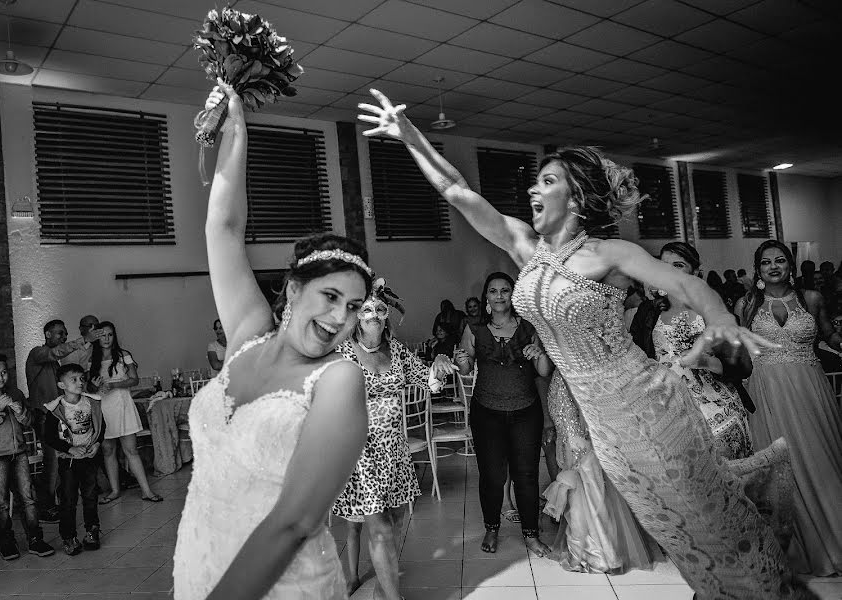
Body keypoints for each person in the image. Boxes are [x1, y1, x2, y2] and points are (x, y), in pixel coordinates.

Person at [358, 88, 812, 599]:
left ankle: (770, 591)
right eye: (535, 180)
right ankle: (719, 590)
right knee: (669, 526)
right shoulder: (523, 247)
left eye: (546, 181)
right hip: (600, 418)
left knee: (706, 512)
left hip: (645, 400)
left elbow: (683, 284)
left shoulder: (607, 253)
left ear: (574, 198)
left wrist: (721, 316)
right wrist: (408, 134)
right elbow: (457, 191)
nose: (533, 189)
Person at [172, 82, 371, 600]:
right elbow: (223, 227)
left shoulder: (339, 380)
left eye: (353, 308)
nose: (339, 318)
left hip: (281, 584)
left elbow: (297, 519)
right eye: (329, 296)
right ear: (292, 289)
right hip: (197, 561)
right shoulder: (245, 334)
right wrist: (236, 129)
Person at [333, 278, 455, 598]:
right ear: (356, 314)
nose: (373, 313)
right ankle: (392, 597)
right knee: (381, 529)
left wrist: (438, 370)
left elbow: (424, 377)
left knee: (396, 522)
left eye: (379, 308)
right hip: (361, 453)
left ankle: (382, 590)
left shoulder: (396, 349)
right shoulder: (342, 352)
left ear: (387, 313)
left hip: (395, 450)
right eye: (366, 308)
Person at [736, 240, 842, 576]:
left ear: (790, 265)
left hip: (810, 390)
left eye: (780, 261)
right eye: (766, 262)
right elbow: (739, 354)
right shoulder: (747, 304)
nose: (774, 267)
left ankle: (832, 538)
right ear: (758, 269)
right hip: (766, 392)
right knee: (778, 468)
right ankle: (788, 550)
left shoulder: (811, 299)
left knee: (820, 459)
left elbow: (829, 336)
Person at [454, 272, 551, 557]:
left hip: (525, 412)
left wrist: (539, 355)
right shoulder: (474, 329)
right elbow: (466, 368)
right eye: (493, 291)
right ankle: (492, 527)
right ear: (486, 297)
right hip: (487, 413)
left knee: (527, 475)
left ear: (513, 295)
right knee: (492, 476)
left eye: (505, 290)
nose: (499, 296)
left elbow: (544, 372)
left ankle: (531, 535)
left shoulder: (529, 328)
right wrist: (462, 361)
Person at [627, 242, 753, 460]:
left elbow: (743, 367)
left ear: (695, 272)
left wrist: (706, 362)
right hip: (667, 408)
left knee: (725, 478)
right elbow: (636, 359)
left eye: (678, 265)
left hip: (717, 409)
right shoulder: (647, 312)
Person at [543, 370, 660, 573]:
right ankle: (589, 552)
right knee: (582, 493)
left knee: (590, 492)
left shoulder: (580, 365)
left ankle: (598, 554)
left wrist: (584, 433)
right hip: (569, 429)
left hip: (581, 435)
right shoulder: (561, 368)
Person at [0, 354, 55, 560]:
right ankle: (7, 543)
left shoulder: (15, 393)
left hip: (19, 454)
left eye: (3, 372)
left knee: (28, 499)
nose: (0, 377)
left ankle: (35, 539)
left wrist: (21, 412)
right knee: (0, 503)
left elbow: (28, 421)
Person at [25, 319, 102, 522]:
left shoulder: (54, 362)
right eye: (60, 333)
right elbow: (56, 352)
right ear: (48, 334)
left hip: (59, 415)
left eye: (65, 334)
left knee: (60, 460)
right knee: (51, 462)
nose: (64, 337)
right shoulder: (37, 353)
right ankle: (46, 508)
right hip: (44, 415)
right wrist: (83, 340)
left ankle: (60, 503)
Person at [87, 321, 161, 504]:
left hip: (122, 403)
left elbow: (134, 380)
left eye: (110, 335)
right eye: (102, 335)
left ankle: (146, 490)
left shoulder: (123, 355)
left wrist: (114, 384)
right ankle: (114, 490)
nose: (106, 338)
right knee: (108, 449)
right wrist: (94, 385)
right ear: (97, 337)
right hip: (103, 406)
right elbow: (89, 387)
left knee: (131, 449)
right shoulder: (92, 360)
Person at [45, 363, 105, 556]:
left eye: (81, 379)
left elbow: (101, 426)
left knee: (90, 495)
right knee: (68, 499)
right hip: (68, 461)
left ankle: (92, 531)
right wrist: (69, 448)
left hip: (89, 457)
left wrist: (97, 444)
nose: (80, 383)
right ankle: (69, 537)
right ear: (62, 385)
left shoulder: (91, 402)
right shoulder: (56, 409)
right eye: (74, 379)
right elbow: (49, 437)